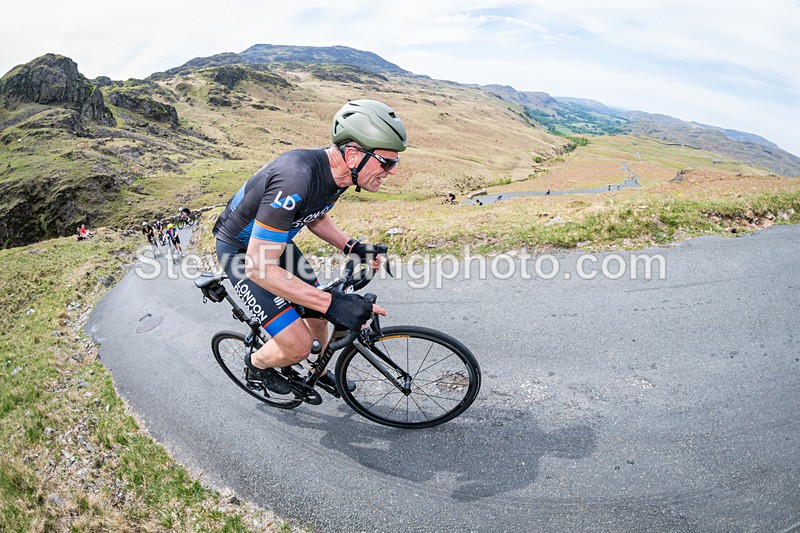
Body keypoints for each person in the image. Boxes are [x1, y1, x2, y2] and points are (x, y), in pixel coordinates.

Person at [212, 99, 403, 394]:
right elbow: (259, 267)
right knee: (299, 344)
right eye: (387, 162)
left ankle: (319, 369)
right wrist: (334, 304)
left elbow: (315, 216)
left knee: (316, 307)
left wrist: (352, 246)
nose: (391, 171)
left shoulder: (337, 175)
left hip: (277, 245)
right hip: (242, 254)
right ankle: (256, 365)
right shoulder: (295, 177)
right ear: (353, 156)